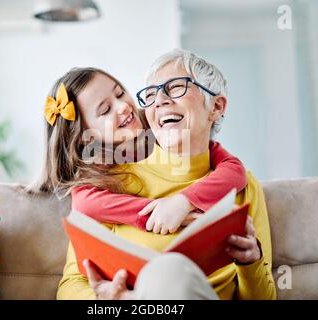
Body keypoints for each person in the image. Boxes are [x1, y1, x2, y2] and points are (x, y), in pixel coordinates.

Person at [30, 49, 276, 299]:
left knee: (170, 270)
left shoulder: (243, 185)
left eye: (176, 87)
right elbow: (70, 288)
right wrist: (110, 300)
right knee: (167, 271)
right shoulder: (109, 183)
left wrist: (251, 261)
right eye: (151, 94)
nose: (160, 100)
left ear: (216, 106)